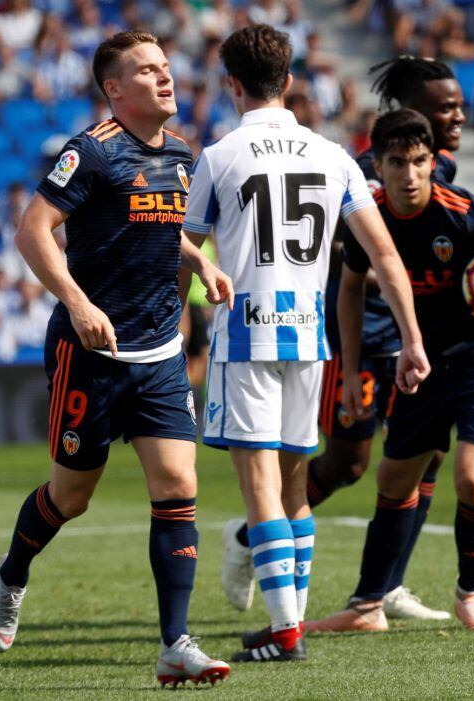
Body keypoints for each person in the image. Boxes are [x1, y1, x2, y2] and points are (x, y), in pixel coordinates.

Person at [0, 30, 234, 688]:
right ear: (115, 90)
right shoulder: (91, 152)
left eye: (165, 66)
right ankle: (12, 573)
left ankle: (175, 643)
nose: (165, 77)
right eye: (146, 70)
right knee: (72, 496)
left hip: (159, 352)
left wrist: (200, 258)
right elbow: (31, 230)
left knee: (178, 485)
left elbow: (161, 224)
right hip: (90, 351)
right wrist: (77, 301)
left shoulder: (181, 155)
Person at [181, 25, 428, 663]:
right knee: (293, 486)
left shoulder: (218, 157)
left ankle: (287, 632)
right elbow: (384, 254)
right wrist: (412, 339)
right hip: (310, 339)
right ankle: (286, 620)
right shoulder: (336, 156)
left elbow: (182, 257)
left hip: (247, 334)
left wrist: (171, 327)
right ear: (289, 82)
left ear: (231, 83)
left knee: (261, 488)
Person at [221, 55, 466, 623]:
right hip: (352, 334)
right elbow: (324, 246)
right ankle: (247, 536)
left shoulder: (439, 166)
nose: (457, 114)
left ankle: (386, 586)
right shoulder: (364, 166)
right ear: (410, 110)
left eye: (458, 104)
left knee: (424, 458)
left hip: (409, 337)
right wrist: (387, 271)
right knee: (348, 464)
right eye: (445, 106)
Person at [309, 109, 474, 633]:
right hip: (425, 361)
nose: (410, 174)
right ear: (377, 166)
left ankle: (469, 594)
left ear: (433, 163)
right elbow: (351, 290)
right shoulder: (368, 218)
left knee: (471, 478)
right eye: (397, 162)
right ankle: (367, 607)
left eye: (420, 161)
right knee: (393, 477)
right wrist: (353, 374)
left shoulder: (467, 215)